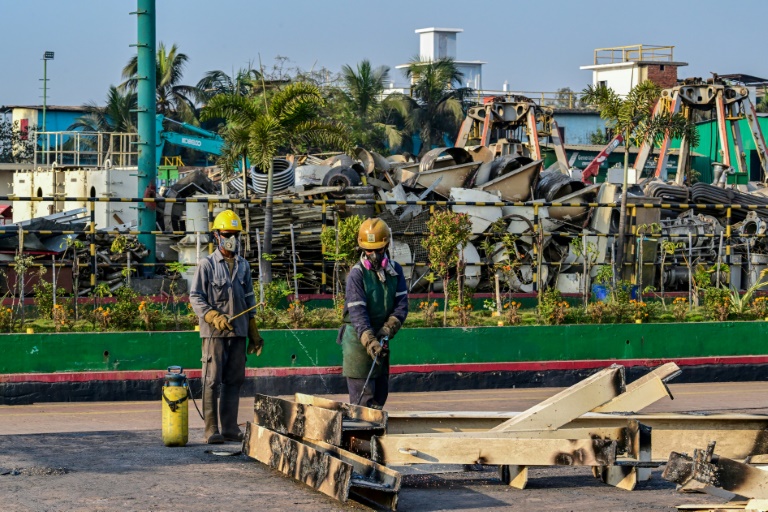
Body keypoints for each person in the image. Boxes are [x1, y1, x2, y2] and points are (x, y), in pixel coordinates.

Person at [190, 209, 263, 444]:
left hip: (238, 332)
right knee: (212, 380)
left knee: (234, 380)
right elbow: (195, 297)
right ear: (216, 236)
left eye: (235, 234)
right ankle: (212, 430)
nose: (231, 239)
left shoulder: (244, 266)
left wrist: (253, 331)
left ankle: (230, 428)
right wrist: (212, 316)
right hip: (214, 335)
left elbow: (250, 300)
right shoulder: (207, 265)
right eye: (226, 234)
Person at [340, 217, 408, 409]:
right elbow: (358, 313)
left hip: (382, 336)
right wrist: (370, 341)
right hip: (358, 340)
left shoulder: (396, 271)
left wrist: (387, 330)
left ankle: (375, 436)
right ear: (362, 249)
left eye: (378, 250)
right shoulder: (357, 274)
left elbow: (401, 305)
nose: (374, 255)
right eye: (369, 250)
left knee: (380, 395)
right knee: (364, 403)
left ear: (386, 246)